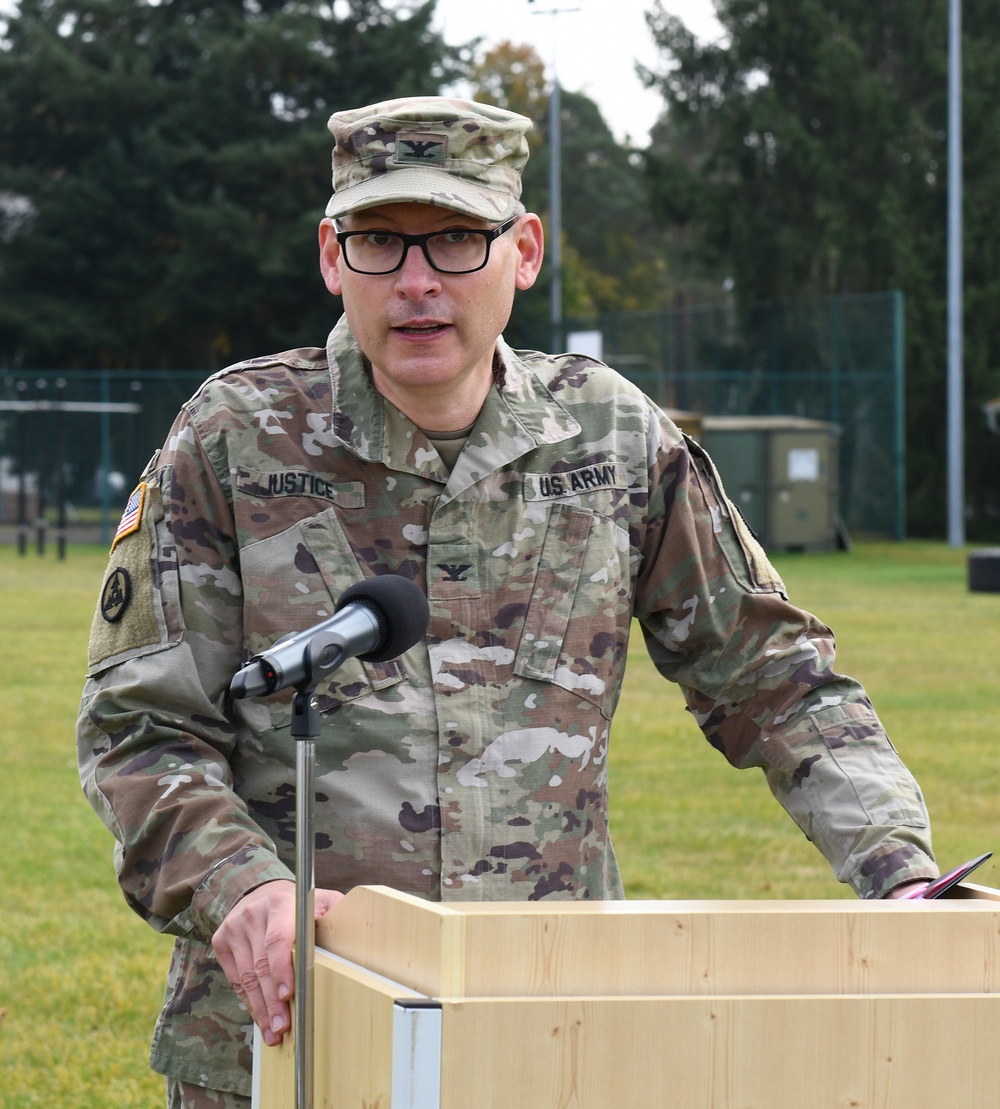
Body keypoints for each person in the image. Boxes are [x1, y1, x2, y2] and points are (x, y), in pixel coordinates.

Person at [77, 96, 936, 1108]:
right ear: (328, 255)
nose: (416, 282)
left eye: (454, 239)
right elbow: (139, 729)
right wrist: (242, 885)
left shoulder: (613, 441)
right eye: (377, 242)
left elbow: (773, 677)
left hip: (544, 1028)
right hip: (285, 1035)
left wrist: (898, 865)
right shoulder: (234, 438)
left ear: (522, 250)